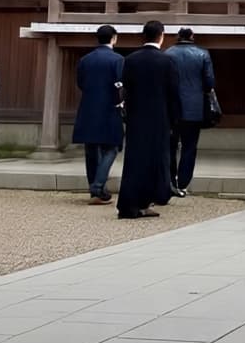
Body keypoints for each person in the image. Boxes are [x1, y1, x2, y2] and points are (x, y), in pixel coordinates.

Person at [117, 19, 183, 219]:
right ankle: (145, 201)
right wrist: (175, 120)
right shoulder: (166, 61)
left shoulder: (130, 59)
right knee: (154, 160)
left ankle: (128, 203)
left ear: (144, 36)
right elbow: (173, 93)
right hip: (158, 118)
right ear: (161, 36)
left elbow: (125, 88)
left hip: (136, 117)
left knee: (133, 160)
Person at [72, 23, 124, 204]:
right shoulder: (117, 59)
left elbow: (80, 82)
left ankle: (96, 191)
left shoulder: (85, 59)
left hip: (88, 107)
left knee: (91, 150)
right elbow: (120, 85)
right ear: (114, 38)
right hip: (110, 107)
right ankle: (98, 184)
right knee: (112, 146)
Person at [165, 26, 215, 197]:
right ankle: (183, 183)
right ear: (192, 36)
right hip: (194, 106)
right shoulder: (202, 54)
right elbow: (209, 82)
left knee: (170, 146)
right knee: (189, 146)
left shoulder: (167, 54)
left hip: (171, 106)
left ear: (177, 36)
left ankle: (170, 180)